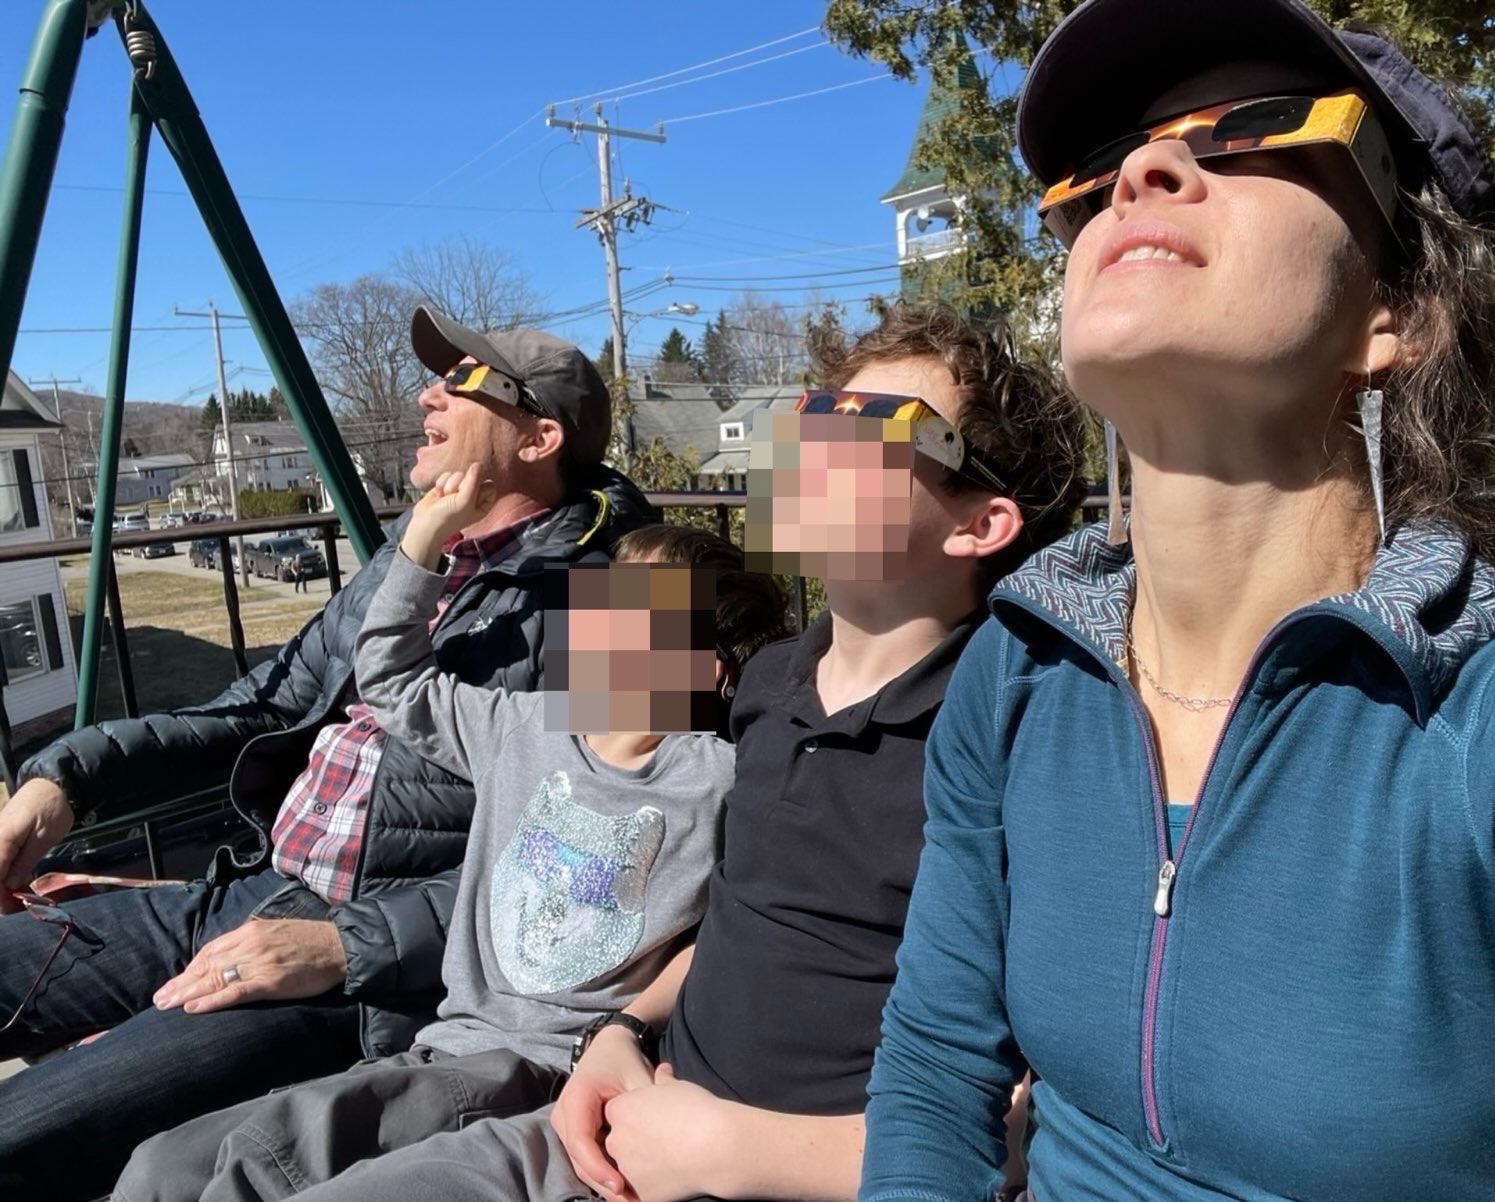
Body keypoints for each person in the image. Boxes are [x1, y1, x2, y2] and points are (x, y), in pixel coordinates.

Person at [858, 2, 1495, 1200]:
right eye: (1103, 174)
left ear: (1391, 312)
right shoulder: (1014, 675)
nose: (1141, 173)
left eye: (1253, 130)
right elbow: (939, 1067)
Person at [168, 301, 1085, 1202]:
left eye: (877, 430)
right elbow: (731, 917)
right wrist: (621, 1028)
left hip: (758, 1158)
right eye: (815, 415)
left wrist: (738, 1150)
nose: (813, 448)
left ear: (980, 524)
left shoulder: (1015, 734)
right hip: (618, 1112)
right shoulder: (770, 687)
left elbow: (1054, 1104)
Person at [0, 308, 655, 1199]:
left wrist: (342, 947)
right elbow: (263, 706)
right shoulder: (416, 554)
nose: (428, 393)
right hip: (243, 892)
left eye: (465, 383)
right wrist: (66, 781)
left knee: (24, 1128)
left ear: (541, 437)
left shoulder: (632, 596)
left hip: (356, 967)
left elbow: (596, 866)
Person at [110, 493, 792, 1202]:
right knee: (166, 1164)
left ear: (703, 669)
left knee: (263, 1157)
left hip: (541, 1063)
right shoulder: (524, 725)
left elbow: (742, 919)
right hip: (441, 1045)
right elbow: (392, 679)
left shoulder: (720, 779)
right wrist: (425, 538)